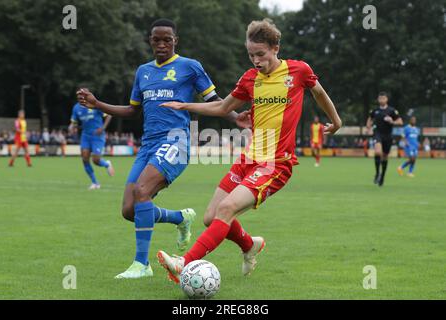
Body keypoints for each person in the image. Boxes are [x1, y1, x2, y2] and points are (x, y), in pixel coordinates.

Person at [157, 19, 342, 284]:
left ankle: (184, 263)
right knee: (211, 217)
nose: (256, 60)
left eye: (261, 54)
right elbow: (222, 108)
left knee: (227, 207)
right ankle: (249, 245)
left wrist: (336, 122)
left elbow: (320, 94)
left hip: (276, 163)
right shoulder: (250, 78)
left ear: (275, 48)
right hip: (249, 158)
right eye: (251, 55)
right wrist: (185, 106)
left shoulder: (298, 71)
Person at [76, 19, 251, 279]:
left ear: (175, 41)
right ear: (150, 41)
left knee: (142, 190)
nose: (161, 44)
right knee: (129, 210)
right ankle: (180, 218)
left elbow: (216, 101)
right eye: (156, 39)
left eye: (166, 39)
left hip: (177, 141)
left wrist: (237, 119)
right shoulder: (143, 72)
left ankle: (141, 265)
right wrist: (98, 104)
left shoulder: (190, 67)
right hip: (148, 145)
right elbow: (133, 110)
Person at [69, 99, 115, 189]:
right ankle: (95, 183)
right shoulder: (76, 108)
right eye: (79, 95)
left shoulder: (95, 104)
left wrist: (103, 128)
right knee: (85, 158)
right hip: (85, 136)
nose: (81, 97)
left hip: (97, 136)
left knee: (96, 160)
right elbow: (73, 122)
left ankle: (106, 164)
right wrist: (71, 127)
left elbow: (109, 115)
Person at [366, 92, 403, 186]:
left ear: (386, 99)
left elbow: (400, 122)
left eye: (383, 98)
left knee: (385, 156)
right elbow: (370, 119)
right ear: (378, 100)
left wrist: (392, 121)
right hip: (377, 134)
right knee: (378, 152)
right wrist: (368, 128)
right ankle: (377, 173)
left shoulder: (392, 111)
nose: (381, 100)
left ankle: (382, 176)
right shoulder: (375, 110)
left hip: (388, 136)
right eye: (380, 98)